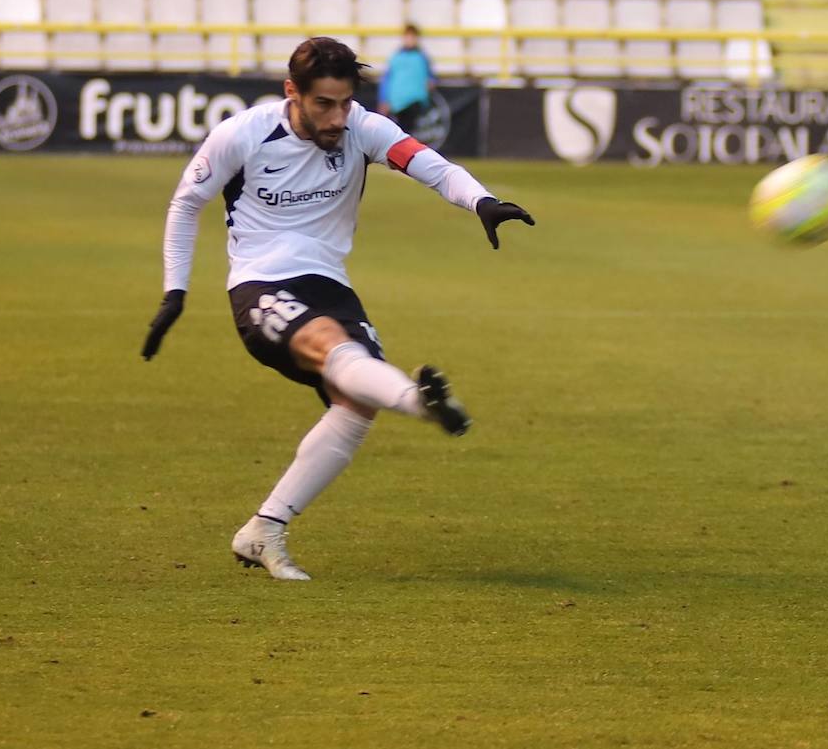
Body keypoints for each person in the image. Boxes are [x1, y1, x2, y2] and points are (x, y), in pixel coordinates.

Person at [141, 36, 534, 581]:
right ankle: (418, 402)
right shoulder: (244, 135)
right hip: (261, 283)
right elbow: (186, 204)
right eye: (323, 103)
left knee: (355, 404)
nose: (336, 116)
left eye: (344, 102)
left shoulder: (363, 129)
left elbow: (431, 166)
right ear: (292, 93)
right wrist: (174, 291)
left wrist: (482, 202)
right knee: (335, 348)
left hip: (329, 283)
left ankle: (264, 529)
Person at [376, 24, 435, 135]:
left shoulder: (422, 57)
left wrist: (430, 83)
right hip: (398, 102)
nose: (410, 40)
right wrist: (384, 99)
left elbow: (430, 76)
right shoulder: (396, 57)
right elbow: (387, 79)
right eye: (408, 37)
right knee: (403, 131)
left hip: (415, 100)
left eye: (413, 37)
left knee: (407, 130)